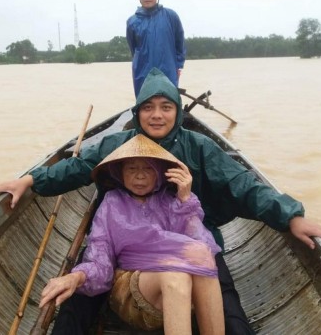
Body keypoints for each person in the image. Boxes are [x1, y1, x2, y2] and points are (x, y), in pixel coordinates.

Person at [0, 67, 321, 334]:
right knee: (78, 301)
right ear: (137, 112)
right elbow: (77, 168)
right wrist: (32, 179)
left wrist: (289, 216)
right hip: (121, 241)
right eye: (148, 107)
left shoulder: (199, 146)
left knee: (227, 303)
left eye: (166, 107)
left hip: (189, 234)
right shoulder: (117, 146)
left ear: (178, 112)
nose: (157, 115)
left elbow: (242, 184)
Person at [39, 134, 224, 335]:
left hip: (175, 296)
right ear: (120, 173)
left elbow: (202, 245)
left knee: (203, 263)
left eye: (147, 169)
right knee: (175, 277)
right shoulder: (112, 203)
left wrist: (185, 200)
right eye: (132, 169)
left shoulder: (172, 202)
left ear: (160, 173)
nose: (140, 176)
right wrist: (76, 277)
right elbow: (100, 259)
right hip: (131, 290)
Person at [126, 0, 186, 96]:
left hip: (168, 69)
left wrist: (178, 66)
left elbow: (180, 43)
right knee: (145, 102)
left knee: (169, 100)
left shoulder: (171, 16)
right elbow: (133, 47)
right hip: (142, 71)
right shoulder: (132, 22)